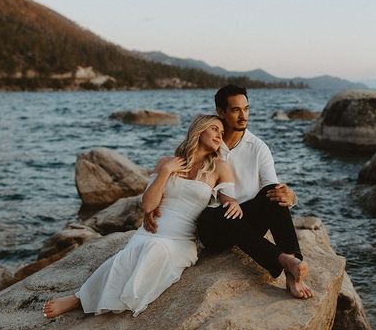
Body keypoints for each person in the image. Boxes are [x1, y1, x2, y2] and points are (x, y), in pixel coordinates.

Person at [43, 115, 241, 319]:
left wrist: (233, 203)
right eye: (215, 129)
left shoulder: (219, 167)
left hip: (181, 239)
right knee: (125, 257)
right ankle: (79, 299)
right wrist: (166, 172)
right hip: (152, 230)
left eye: (222, 133)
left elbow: (228, 199)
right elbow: (148, 205)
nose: (220, 135)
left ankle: (98, 298)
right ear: (200, 130)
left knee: (156, 250)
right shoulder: (166, 162)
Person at [146, 85, 313, 300]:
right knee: (219, 211)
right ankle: (282, 260)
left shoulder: (258, 147)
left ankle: (291, 266)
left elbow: (273, 190)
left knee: (273, 192)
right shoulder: (208, 142)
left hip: (245, 223)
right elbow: (179, 181)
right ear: (220, 112)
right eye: (236, 110)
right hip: (213, 227)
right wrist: (153, 207)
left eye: (246, 109)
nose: (243, 116)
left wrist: (290, 197)